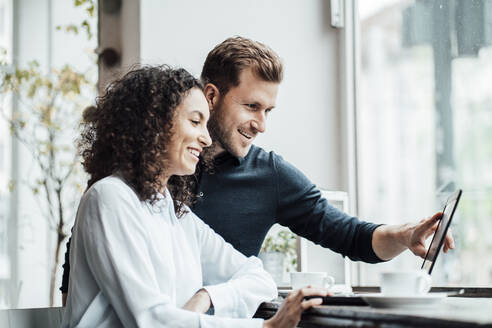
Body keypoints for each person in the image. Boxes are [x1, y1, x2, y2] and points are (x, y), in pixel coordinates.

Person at [62, 36, 454, 305]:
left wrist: (404, 235)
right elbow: (88, 254)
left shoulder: (269, 176)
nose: (261, 124)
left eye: (268, 111)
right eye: (252, 107)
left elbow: (347, 234)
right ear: (212, 95)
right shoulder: (145, 173)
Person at [61, 65, 327, 328]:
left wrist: (207, 296)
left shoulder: (174, 211)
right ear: (153, 123)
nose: (206, 138)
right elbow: (151, 321)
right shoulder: (110, 197)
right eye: (195, 121)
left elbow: (259, 279)